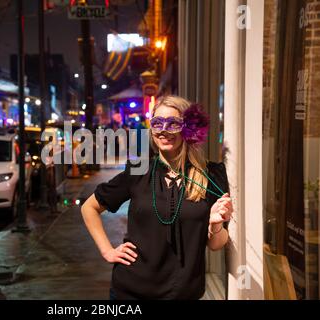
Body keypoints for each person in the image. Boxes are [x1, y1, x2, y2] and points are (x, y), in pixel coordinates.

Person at [81, 95, 233, 300]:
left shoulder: (211, 176)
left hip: (183, 293)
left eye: (173, 124)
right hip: (131, 292)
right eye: (157, 123)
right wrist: (107, 251)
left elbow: (216, 244)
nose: (163, 130)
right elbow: (89, 208)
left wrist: (215, 225)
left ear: (189, 128)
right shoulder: (139, 170)